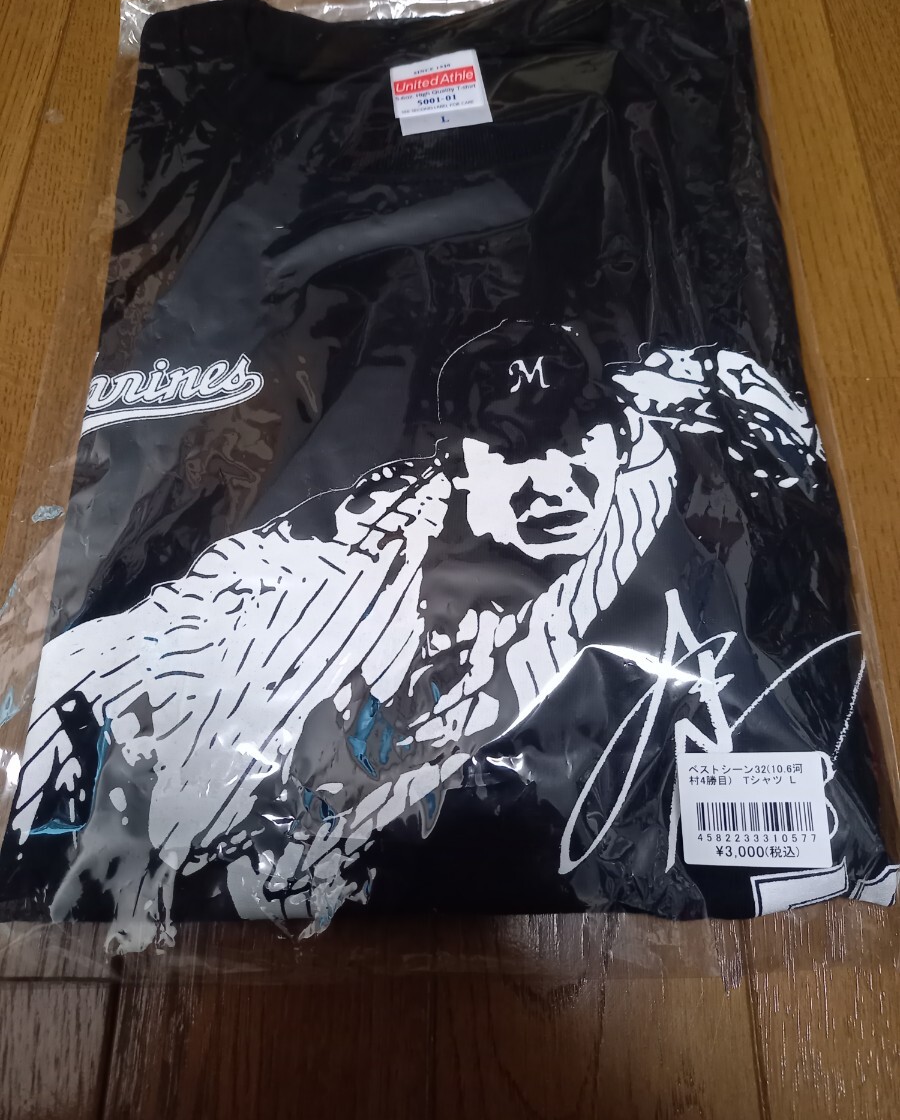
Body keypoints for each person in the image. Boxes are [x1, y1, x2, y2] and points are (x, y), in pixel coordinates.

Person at [4, 320, 821, 949]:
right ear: (456, 461)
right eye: (517, 451)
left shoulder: (623, 496)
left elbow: (667, 439)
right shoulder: (338, 564)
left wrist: (718, 387)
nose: (558, 482)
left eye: (580, 443)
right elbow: (166, 633)